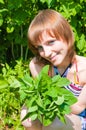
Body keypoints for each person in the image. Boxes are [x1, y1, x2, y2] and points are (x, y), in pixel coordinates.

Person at [21, 9, 86, 130]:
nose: (46, 53)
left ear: (67, 35)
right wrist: (31, 103)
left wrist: (42, 102)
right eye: (40, 47)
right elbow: (40, 96)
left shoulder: (84, 69)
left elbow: (77, 108)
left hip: (79, 119)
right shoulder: (38, 65)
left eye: (51, 42)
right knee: (28, 117)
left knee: (54, 123)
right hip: (55, 112)